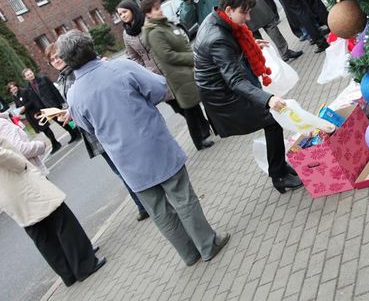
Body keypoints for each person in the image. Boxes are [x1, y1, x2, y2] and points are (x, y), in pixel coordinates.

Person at [57, 30, 229, 266]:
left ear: (67, 60)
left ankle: (189, 254)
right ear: (91, 47)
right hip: (154, 143)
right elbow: (158, 89)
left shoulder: (74, 93)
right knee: (182, 196)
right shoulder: (120, 67)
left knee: (158, 210)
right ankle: (208, 244)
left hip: (125, 159)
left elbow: (86, 127)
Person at [193, 0, 303, 193]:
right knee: (272, 119)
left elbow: (227, 58)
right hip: (222, 97)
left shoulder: (217, 19)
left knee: (273, 120)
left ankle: (279, 168)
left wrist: (250, 45)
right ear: (228, 10)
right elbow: (234, 80)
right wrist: (268, 98)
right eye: (244, 12)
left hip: (223, 87)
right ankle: (279, 176)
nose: (249, 18)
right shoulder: (217, 38)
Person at [44, 43, 149, 221]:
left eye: (57, 56)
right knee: (120, 171)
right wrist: (66, 112)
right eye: (52, 59)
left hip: (100, 128)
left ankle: (145, 204)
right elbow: (72, 102)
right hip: (90, 132)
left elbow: (86, 99)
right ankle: (143, 203)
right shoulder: (62, 78)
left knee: (124, 169)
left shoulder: (76, 72)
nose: (56, 61)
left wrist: (71, 112)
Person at [0, 137, 106, 287]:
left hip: (8, 192)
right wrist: (21, 164)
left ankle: (68, 274)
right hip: (20, 183)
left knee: (41, 234)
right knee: (62, 220)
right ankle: (84, 265)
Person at [117, 0, 214, 151]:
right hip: (153, 75)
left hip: (169, 69)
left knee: (189, 102)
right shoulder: (126, 34)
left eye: (124, 12)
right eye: (120, 14)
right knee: (180, 106)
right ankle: (201, 130)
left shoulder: (147, 25)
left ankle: (203, 130)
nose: (122, 16)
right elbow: (133, 55)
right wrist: (144, 70)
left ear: (133, 10)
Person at [21, 68, 81, 144]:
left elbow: (54, 89)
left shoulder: (43, 79)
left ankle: (77, 131)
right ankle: (72, 133)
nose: (30, 75)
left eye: (31, 73)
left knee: (67, 118)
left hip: (54, 103)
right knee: (60, 122)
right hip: (45, 108)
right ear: (25, 78)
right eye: (28, 75)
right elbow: (35, 99)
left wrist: (61, 101)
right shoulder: (28, 88)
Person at [7, 81, 62, 153]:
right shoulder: (14, 97)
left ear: (17, 86)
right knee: (43, 130)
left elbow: (32, 101)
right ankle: (55, 143)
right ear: (9, 90)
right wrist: (20, 111)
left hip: (36, 113)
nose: (13, 88)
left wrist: (24, 107)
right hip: (29, 116)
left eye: (14, 86)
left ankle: (55, 143)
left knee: (45, 128)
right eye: (11, 88)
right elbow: (18, 107)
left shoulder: (24, 91)